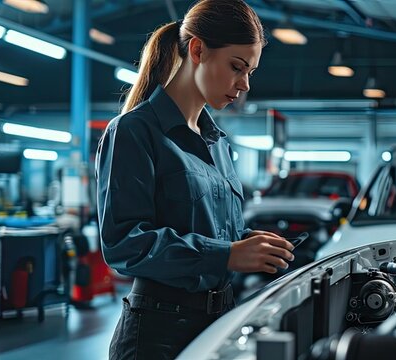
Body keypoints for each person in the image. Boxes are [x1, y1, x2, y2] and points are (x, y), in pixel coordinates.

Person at [95, 1, 294, 359]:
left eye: (250, 72)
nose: (244, 84)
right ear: (198, 50)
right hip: (157, 335)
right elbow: (124, 243)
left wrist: (248, 244)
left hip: (218, 323)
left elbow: (212, 233)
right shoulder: (133, 132)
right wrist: (227, 255)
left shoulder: (217, 144)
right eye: (237, 67)